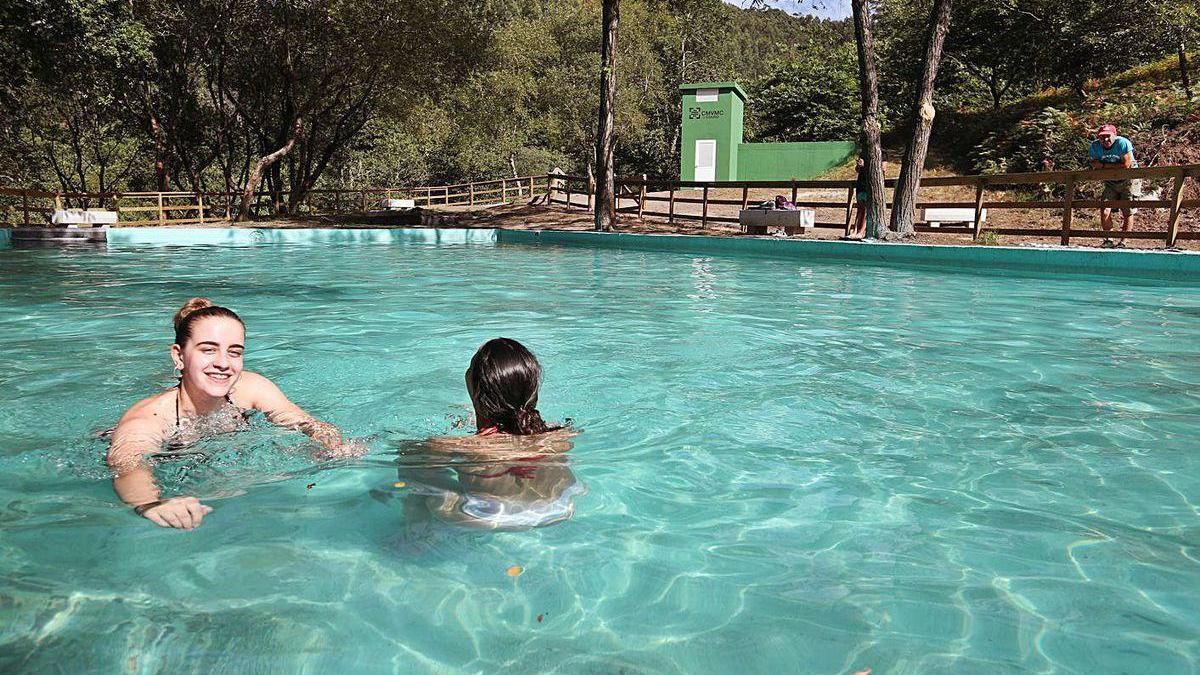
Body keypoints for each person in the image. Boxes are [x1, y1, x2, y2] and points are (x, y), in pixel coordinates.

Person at [106, 298, 359, 529]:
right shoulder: (149, 417)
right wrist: (151, 503)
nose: (224, 363)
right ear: (179, 355)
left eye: (234, 352)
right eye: (208, 349)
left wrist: (332, 443)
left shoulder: (251, 388)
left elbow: (302, 420)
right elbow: (129, 465)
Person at [399, 338, 584, 530]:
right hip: (560, 506)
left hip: (488, 517)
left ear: (475, 390)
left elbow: (406, 450)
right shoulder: (561, 435)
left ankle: (416, 530)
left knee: (414, 468)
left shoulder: (457, 445)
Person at [1088, 124, 1141, 248]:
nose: (1105, 140)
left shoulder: (1123, 143)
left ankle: (1123, 242)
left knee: (1128, 210)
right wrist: (1110, 167)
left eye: (1108, 136)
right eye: (1102, 137)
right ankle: (1108, 239)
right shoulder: (1095, 146)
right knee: (1104, 207)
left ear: (1114, 135)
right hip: (1111, 181)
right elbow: (1094, 164)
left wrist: (1104, 166)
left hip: (1129, 180)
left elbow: (1126, 165)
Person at [845, 155, 884, 241]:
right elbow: (857, 170)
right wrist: (859, 166)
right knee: (860, 210)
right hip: (860, 186)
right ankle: (854, 231)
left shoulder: (882, 154)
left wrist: (867, 166)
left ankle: (861, 232)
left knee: (867, 210)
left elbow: (883, 169)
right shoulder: (863, 153)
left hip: (869, 187)